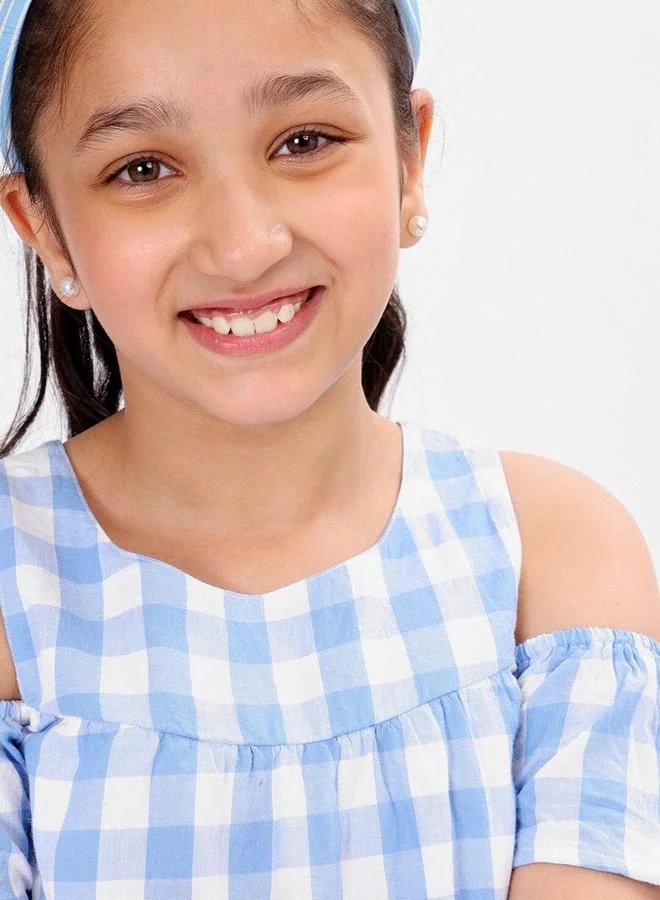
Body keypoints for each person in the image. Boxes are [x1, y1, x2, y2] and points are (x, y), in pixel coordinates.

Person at [0, 0, 657, 896]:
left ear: (410, 160)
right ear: (41, 224)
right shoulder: (16, 585)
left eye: (304, 142)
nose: (243, 246)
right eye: (142, 168)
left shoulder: (551, 558)